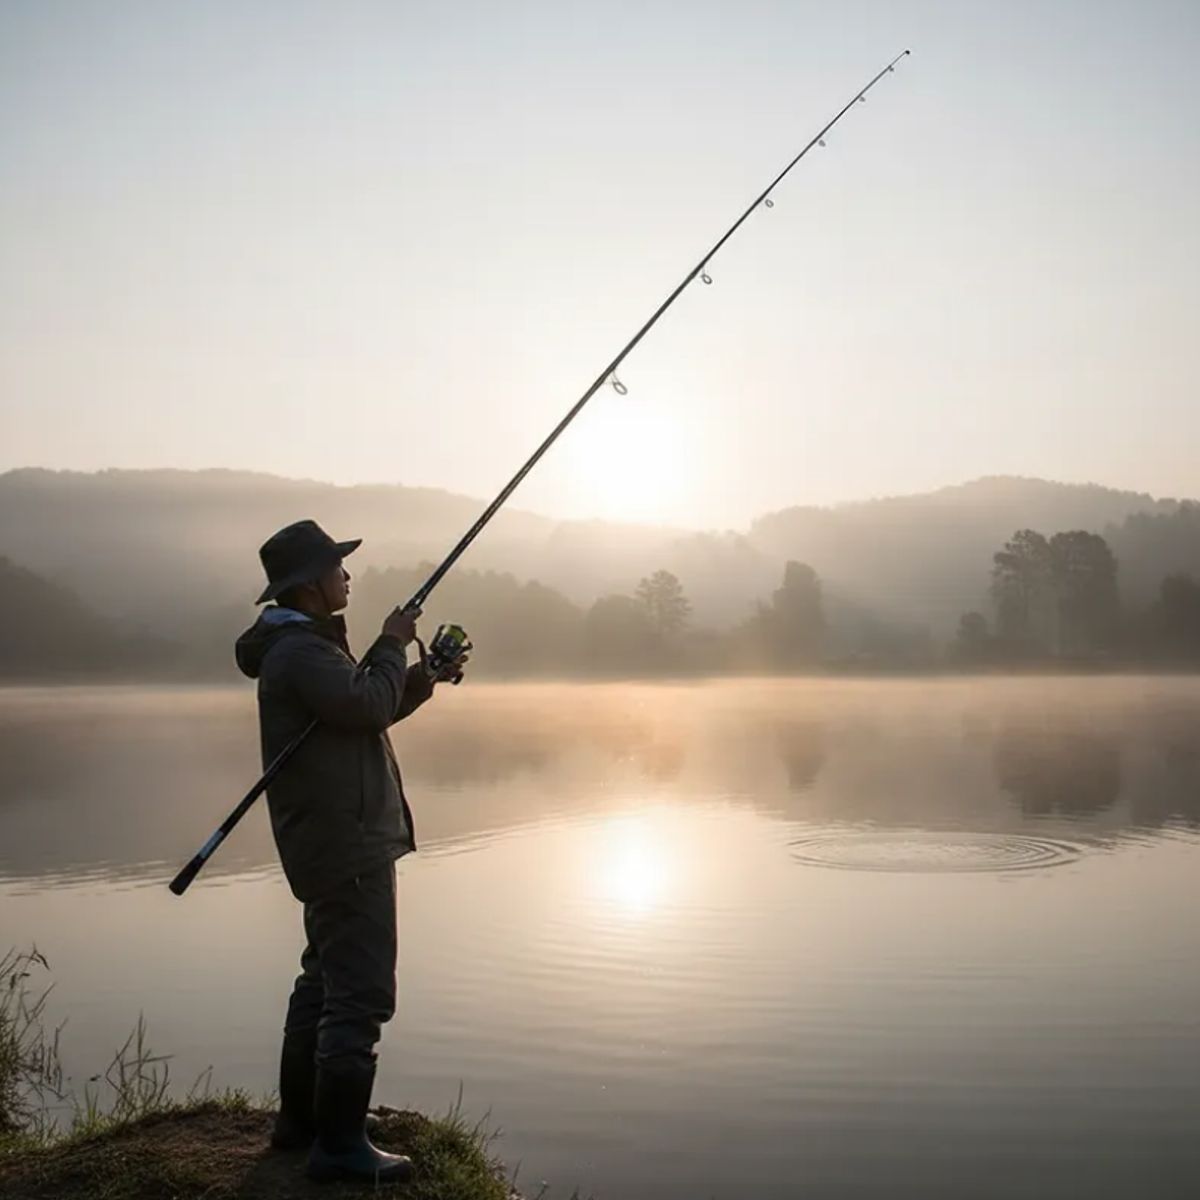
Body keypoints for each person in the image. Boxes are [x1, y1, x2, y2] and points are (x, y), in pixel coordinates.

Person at [234, 519, 468, 1184]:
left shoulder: (305, 647)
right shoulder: (301, 653)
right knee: (360, 993)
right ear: (311, 584)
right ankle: (338, 1146)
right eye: (337, 567)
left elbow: (365, 709)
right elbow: (365, 705)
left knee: (323, 978)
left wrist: (421, 675)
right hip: (346, 844)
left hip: (333, 840)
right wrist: (391, 642)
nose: (347, 575)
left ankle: (302, 1123)